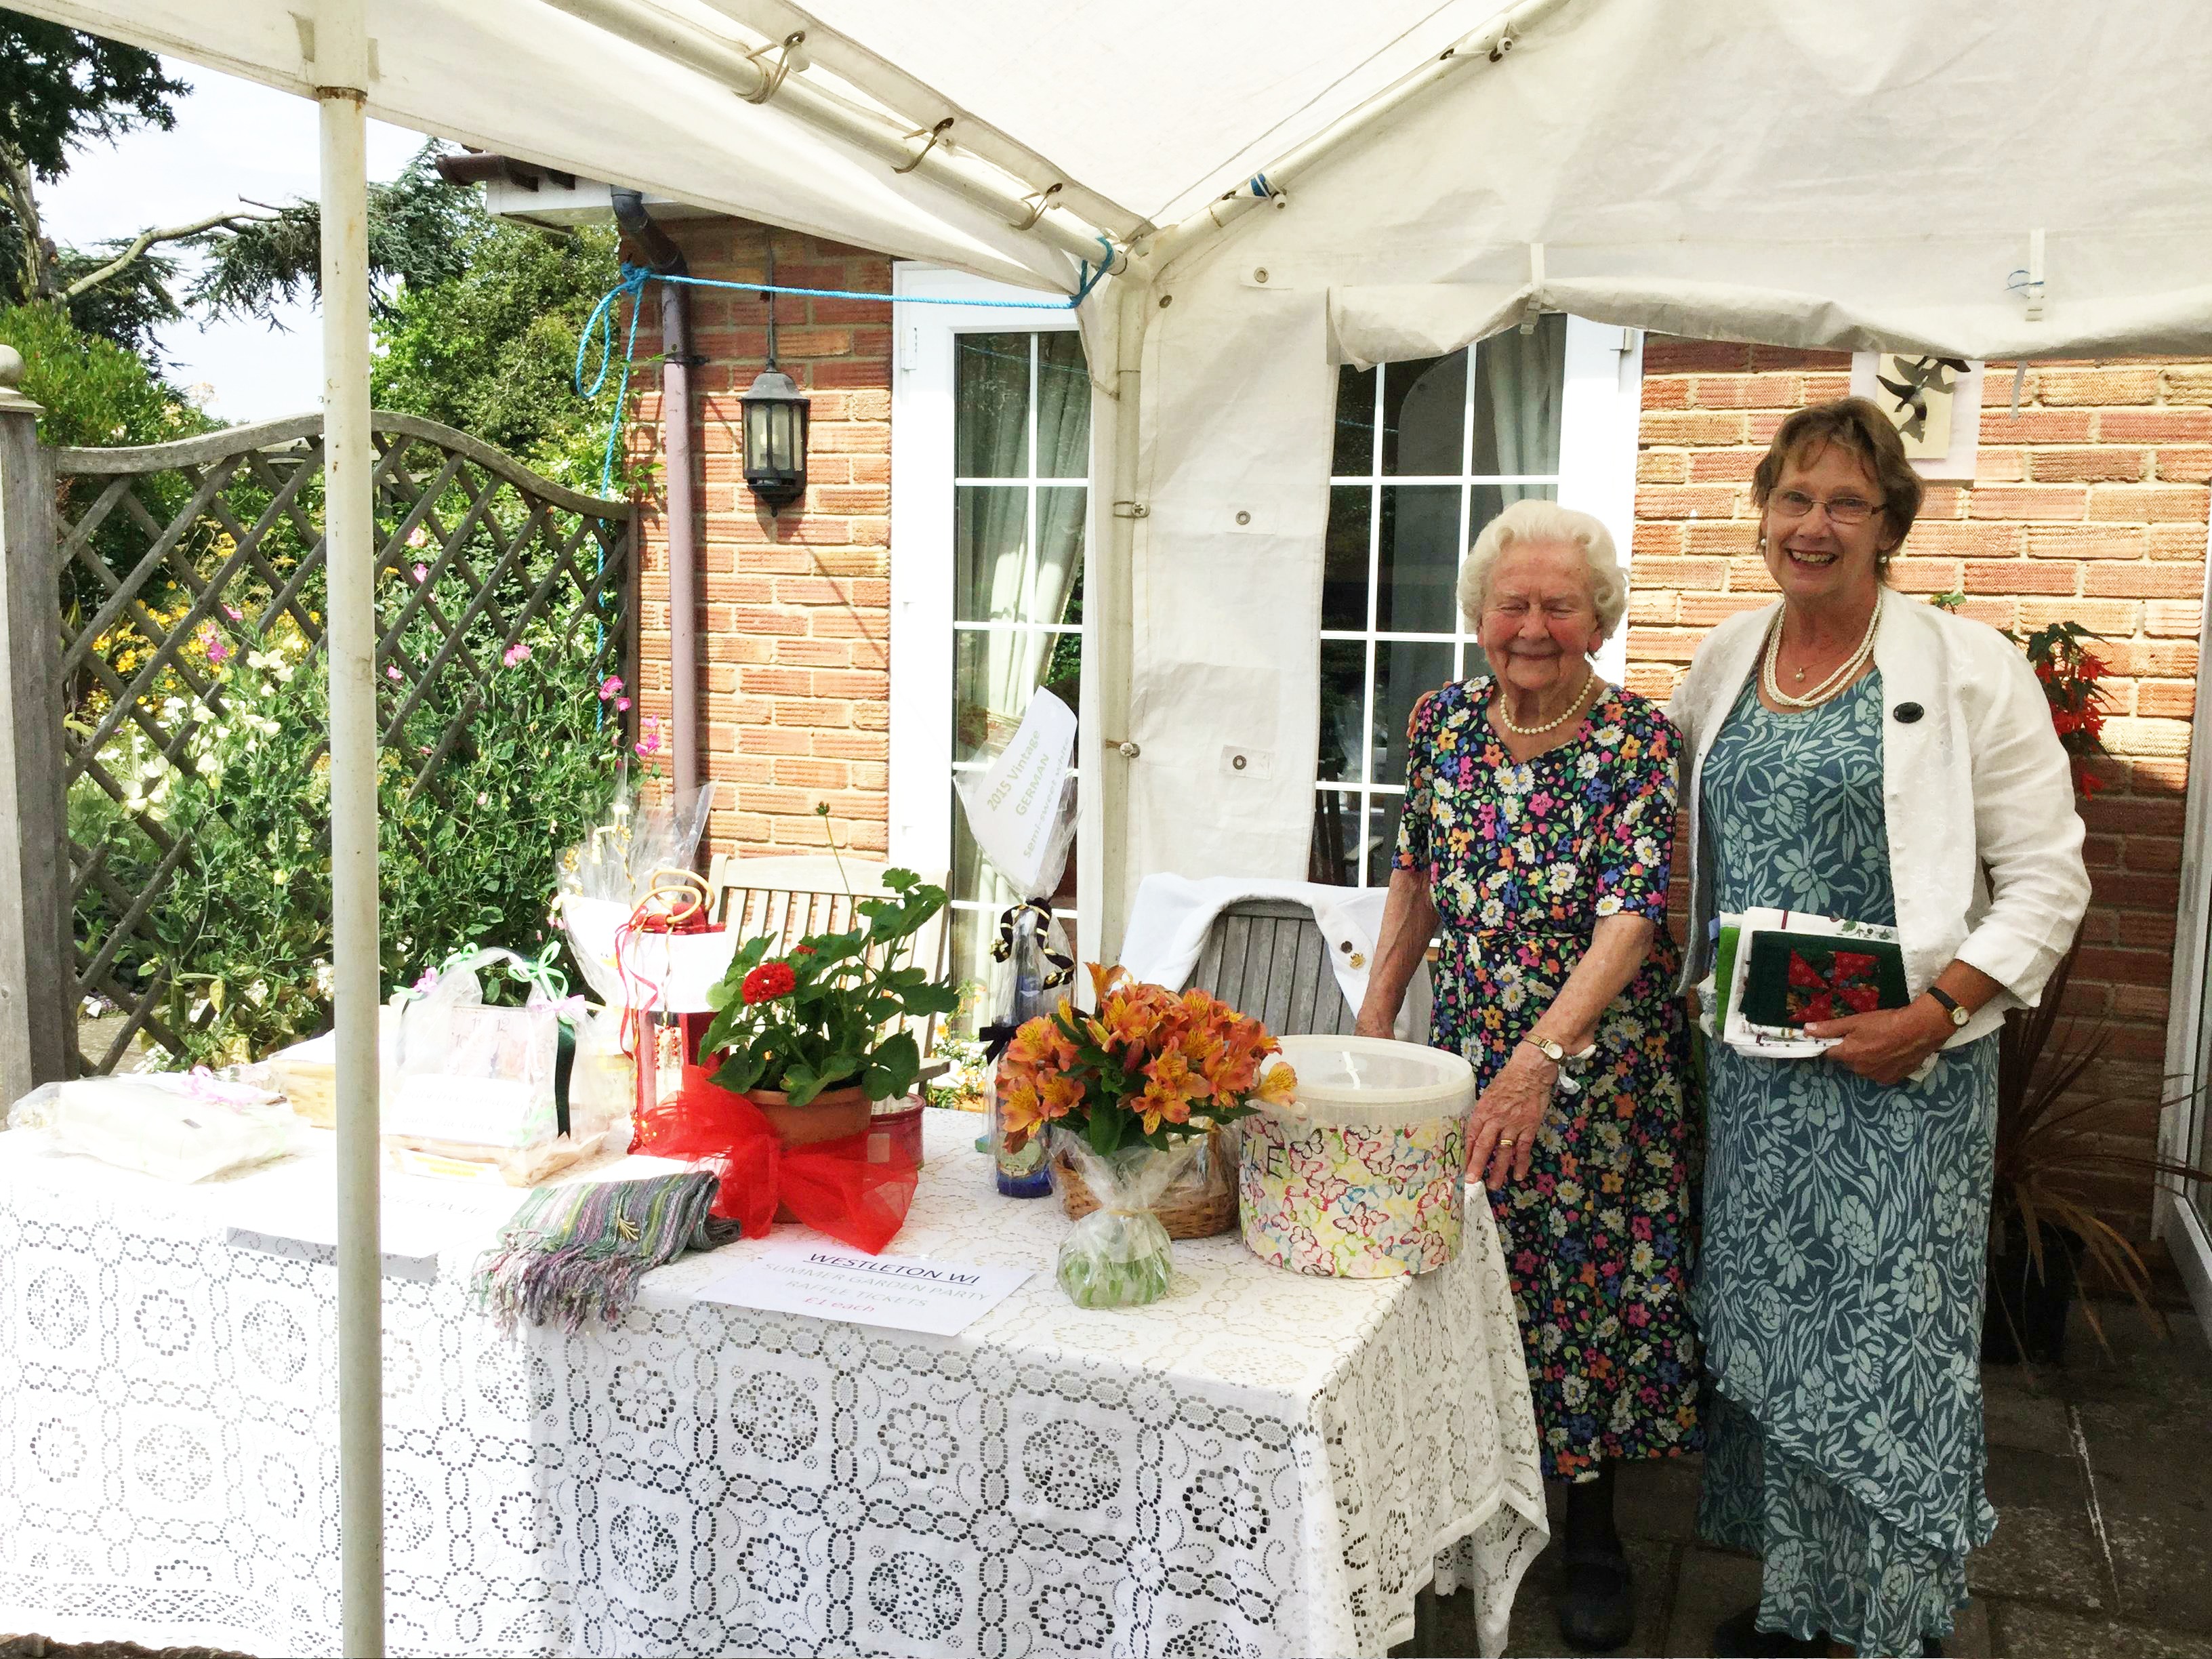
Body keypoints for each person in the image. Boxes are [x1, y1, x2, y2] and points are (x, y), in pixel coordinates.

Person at [1668, 398, 2090, 1658]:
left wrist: (1939, 1010)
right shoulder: (1725, 659)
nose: (1815, 525)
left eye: (1847, 502)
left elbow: (2050, 874)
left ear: (1890, 523)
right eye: (1794, 499)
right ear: (1763, 516)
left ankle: (1891, 1621)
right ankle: (1802, 1607)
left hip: (1905, 1079)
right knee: (1781, 1328)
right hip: (1755, 1075)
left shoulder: (1968, 666)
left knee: (1887, 1341)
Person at [1357, 498, 1700, 1654]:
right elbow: (1415, 879)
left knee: (1584, 1298)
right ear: (1481, 616)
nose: (1535, 626)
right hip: (1467, 1063)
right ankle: (1464, 1506)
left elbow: (1631, 921)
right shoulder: (1441, 724)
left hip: (1595, 1078)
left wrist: (1540, 1062)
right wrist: (1374, 1020)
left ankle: (1593, 1528)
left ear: (1599, 616)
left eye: (1562, 604)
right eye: (1514, 604)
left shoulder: (1636, 740)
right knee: (1466, 1277)